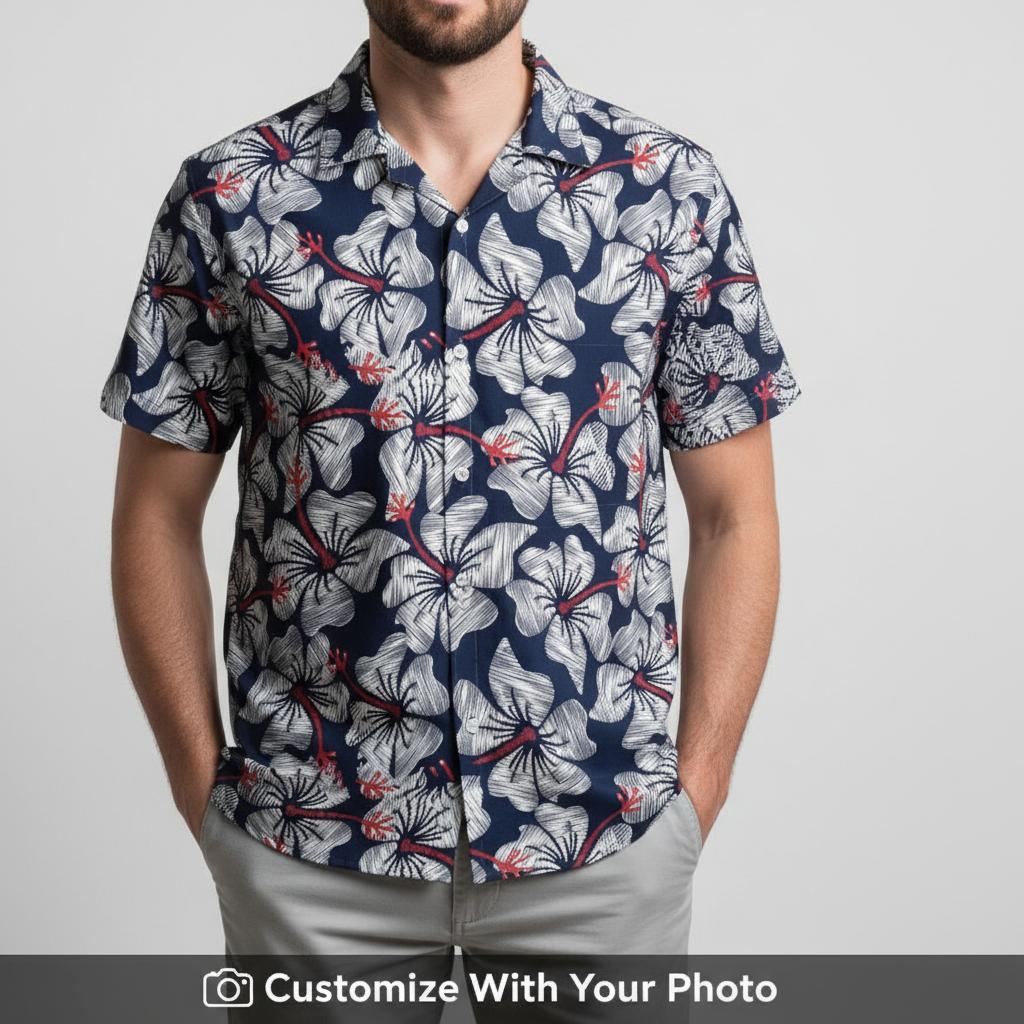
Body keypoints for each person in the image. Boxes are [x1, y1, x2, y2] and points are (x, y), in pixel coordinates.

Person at [100, 0, 801, 968]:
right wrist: (203, 790)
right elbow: (155, 513)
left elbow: (735, 515)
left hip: (603, 844)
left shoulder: (663, 194)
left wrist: (698, 788)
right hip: (309, 850)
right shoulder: (232, 197)